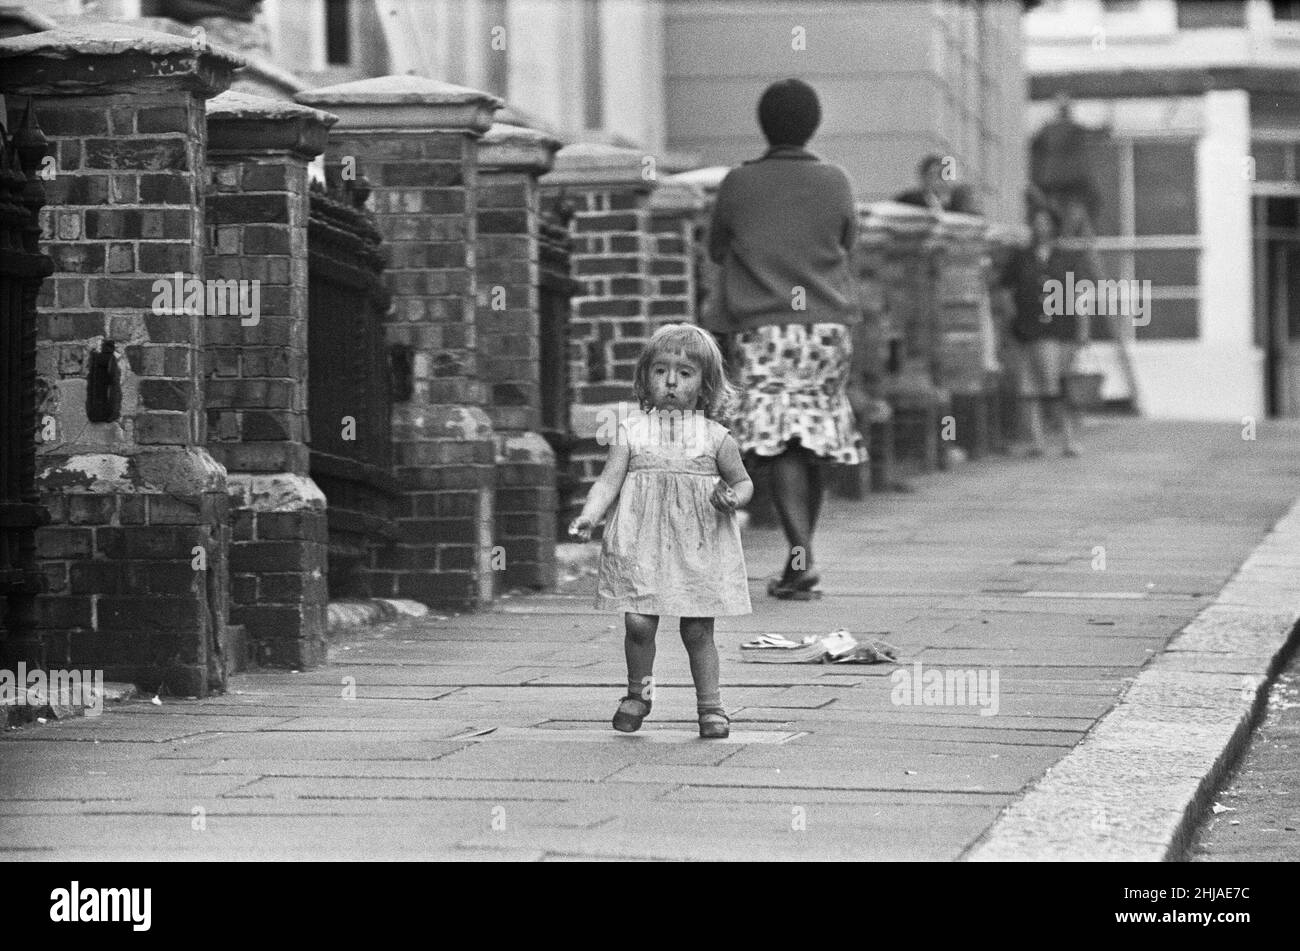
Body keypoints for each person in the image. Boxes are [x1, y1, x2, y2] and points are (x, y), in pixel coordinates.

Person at [703, 77, 868, 600]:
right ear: (813, 125)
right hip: (827, 328)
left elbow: (714, 249)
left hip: (765, 326)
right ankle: (800, 561)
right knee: (810, 438)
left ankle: (805, 557)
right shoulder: (836, 180)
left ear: (763, 124)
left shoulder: (739, 182)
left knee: (778, 443)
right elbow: (847, 241)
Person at [569, 324, 753, 739]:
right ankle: (639, 693)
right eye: (660, 371)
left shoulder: (716, 438)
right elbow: (608, 482)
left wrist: (733, 498)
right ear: (644, 378)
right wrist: (589, 516)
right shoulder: (631, 432)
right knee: (638, 621)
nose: (671, 381)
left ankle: (711, 706)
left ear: (705, 387)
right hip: (641, 542)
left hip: (697, 544)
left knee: (697, 628)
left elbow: (743, 482)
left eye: (685, 373)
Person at [1000, 205, 1093, 457]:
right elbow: (1006, 292)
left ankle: (1069, 438)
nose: (1041, 227)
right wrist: (1010, 320)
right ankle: (1036, 440)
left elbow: (1079, 294)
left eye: (1045, 222)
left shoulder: (1067, 259)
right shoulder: (1021, 258)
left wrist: (1083, 328)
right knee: (1030, 387)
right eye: (1037, 221)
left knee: (1060, 385)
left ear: (1053, 226)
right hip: (1027, 327)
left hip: (1060, 328)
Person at [895, 154, 979, 214]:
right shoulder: (909, 200)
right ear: (924, 177)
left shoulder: (956, 203)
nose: (941, 180)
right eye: (936, 175)